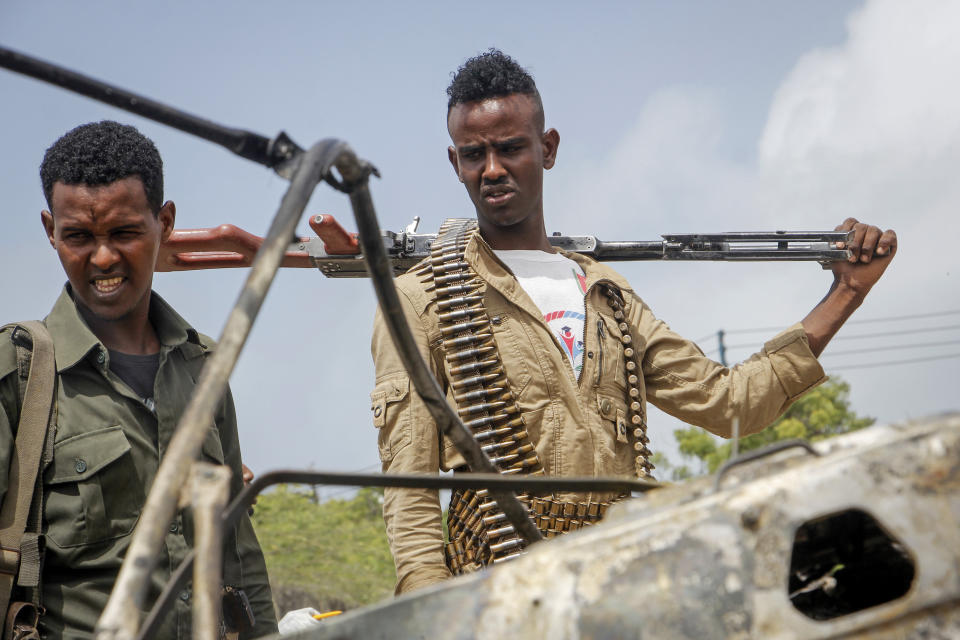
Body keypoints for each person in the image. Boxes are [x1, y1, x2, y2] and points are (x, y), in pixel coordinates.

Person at [370, 50, 897, 595]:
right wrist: (429, 606)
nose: (493, 169)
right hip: (501, 590)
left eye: (510, 148)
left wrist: (848, 291)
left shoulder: (608, 296)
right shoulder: (422, 298)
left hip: (623, 584)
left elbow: (732, 404)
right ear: (455, 163)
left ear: (547, 149)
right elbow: (407, 482)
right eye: (474, 154)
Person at [0, 121, 277, 638]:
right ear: (50, 230)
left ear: (165, 222)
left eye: (124, 233)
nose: (103, 258)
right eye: (79, 236)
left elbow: (239, 556)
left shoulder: (203, 366)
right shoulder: (20, 374)